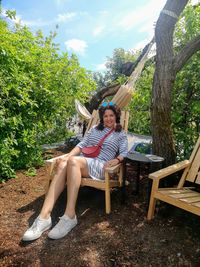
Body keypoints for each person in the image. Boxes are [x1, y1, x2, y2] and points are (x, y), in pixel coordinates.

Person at [22, 102, 128, 241]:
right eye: (105, 116)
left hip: (101, 166)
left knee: (72, 161)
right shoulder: (95, 128)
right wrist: (67, 155)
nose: (108, 118)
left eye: (111, 115)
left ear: (116, 116)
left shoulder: (120, 134)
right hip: (83, 162)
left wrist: (117, 160)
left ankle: (70, 215)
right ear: (102, 117)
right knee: (64, 163)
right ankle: (44, 217)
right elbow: (82, 144)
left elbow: (125, 151)